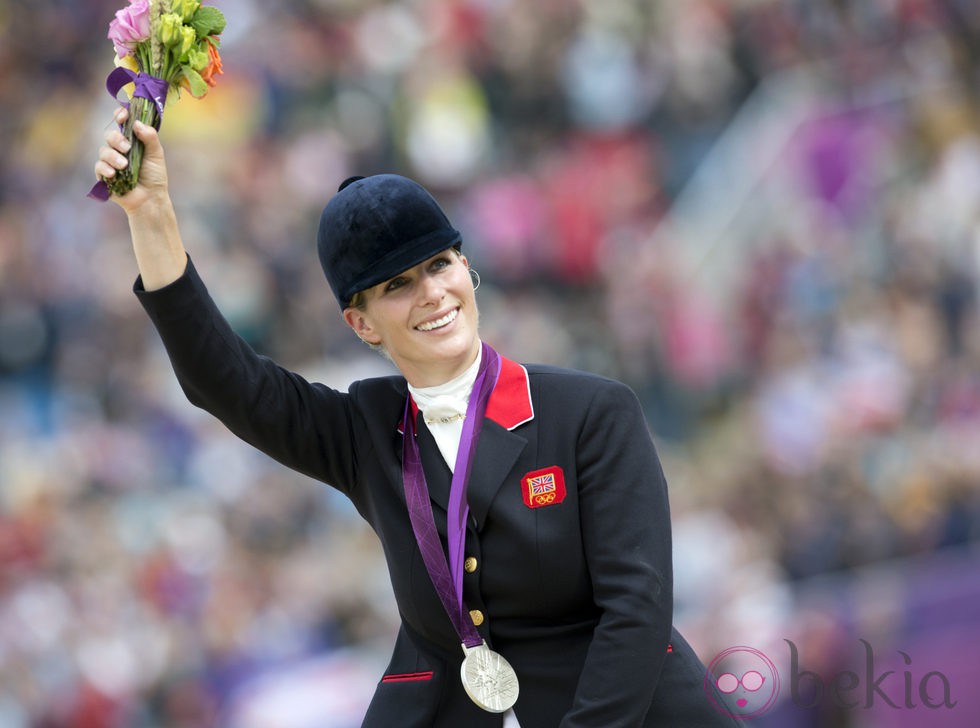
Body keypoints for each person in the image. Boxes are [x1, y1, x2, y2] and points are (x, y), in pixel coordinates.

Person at [93, 108, 737, 727]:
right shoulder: (364, 431)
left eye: (439, 264)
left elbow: (636, 609)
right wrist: (152, 214)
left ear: (467, 268)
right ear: (361, 323)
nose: (431, 292)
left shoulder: (592, 413)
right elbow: (224, 381)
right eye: (397, 285)